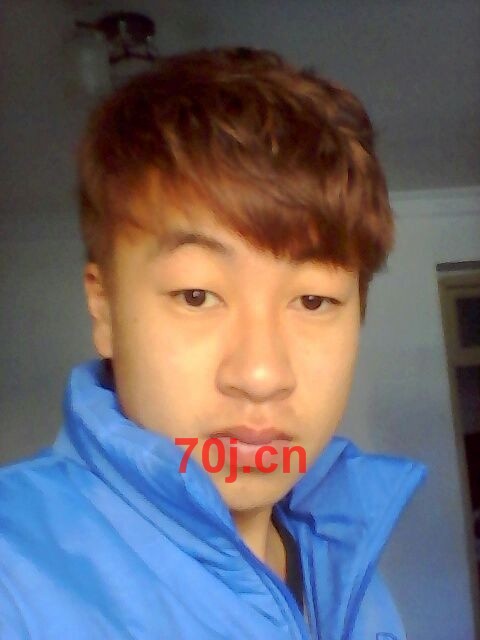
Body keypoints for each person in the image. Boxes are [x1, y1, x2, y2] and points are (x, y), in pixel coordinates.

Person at [0, 47, 427, 639]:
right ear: (105, 310)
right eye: (197, 295)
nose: (261, 375)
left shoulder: (350, 573)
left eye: (313, 300)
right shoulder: (14, 577)